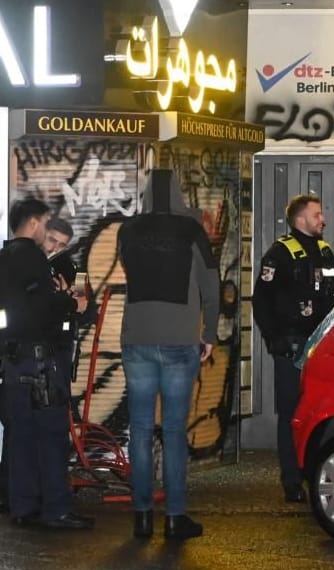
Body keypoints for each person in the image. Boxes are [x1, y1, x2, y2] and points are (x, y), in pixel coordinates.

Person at [118, 170, 219, 540]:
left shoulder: (127, 231)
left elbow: (130, 270)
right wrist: (208, 333)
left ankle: (142, 517)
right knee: (174, 431)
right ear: (178, 193)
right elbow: (210, 284)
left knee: (141, 430)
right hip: (179, 340)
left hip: (137, 338)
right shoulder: (191, 230)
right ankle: (175, 518)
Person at [0, 198, 92, 529]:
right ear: (33, 223)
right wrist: (69, 303)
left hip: (13, 362)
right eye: (46, 224)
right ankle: (57, 510)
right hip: (40, 363)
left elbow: (12, 310)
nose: (48, 230)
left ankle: (22, 506)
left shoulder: (1, 258)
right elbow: (42, 306)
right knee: (51, 435)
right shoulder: (32, 257)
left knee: (20, 435)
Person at [253, 193, 334, 503]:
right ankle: (292, 480)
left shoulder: (325, 252)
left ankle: (317, 476)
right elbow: (261, 301)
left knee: (323, 414)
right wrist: (273, 338)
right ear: (301, 219)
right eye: (317, 214)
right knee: (291, 413)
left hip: (324, 349)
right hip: (291, 347)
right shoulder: (279, 254)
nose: (323, 220)